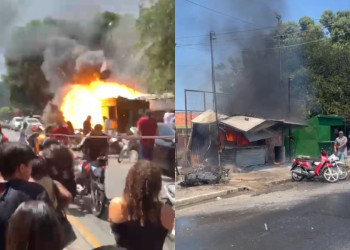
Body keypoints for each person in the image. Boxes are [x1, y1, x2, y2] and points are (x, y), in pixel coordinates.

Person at [108, 160, 174, 250]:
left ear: (130, 181)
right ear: (158, 185)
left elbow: (113, 226)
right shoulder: (167, 212)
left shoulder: (117, 205)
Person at [0, 142, 52, 250]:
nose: (31, 170)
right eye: (31, 166)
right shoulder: (36, 192)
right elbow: (50, 233)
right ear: (22, 168)